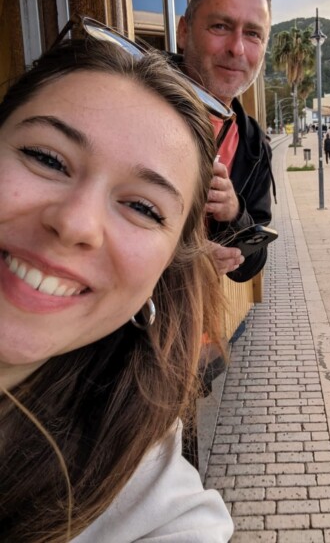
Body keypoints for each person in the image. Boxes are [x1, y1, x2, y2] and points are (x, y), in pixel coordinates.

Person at [0, 35, 234, 542]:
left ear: (163, 273)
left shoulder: (152, 506)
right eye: (46, 158)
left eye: (143, 207)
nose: (75, 223)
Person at [175, 0, 276, 283]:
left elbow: (252, 263)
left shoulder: (253, 143)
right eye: (220, 26)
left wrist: (233, 213)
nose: (236, 48)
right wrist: (181, 257)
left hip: (195, 329)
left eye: (253, 34)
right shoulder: (134, 102)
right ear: (183, 32)